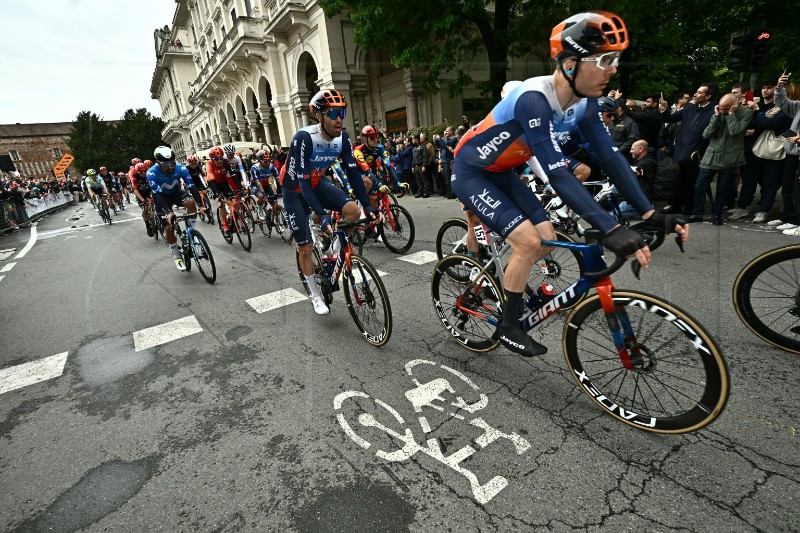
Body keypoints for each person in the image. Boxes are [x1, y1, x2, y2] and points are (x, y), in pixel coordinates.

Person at [451, 11, 688, 357]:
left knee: (546, 239)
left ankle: (506, 283)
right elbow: (557, 172)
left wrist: (649, 212)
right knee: (529, 243)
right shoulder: (534, 99)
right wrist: (609, 227)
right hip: (471, 171)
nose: (613, 69)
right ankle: (509, 324)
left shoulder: (585, 103)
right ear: (571, 63)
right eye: (605, 60)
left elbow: (610, 158)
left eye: (616, 59)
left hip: (503, 171)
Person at [279, 89, 378, 315]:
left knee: (353, 211)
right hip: (294, 190)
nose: (339, 118)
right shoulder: (304, 138)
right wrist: (322, 214)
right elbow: (302, 184)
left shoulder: (342, 138)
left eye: (342, 111)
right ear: (319, 116)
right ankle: (315, 294)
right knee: (305, 247)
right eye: (333, 113)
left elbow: (353, 174)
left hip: (316, 183)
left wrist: (369, 207)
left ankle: (333, 255)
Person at [691, 93, 754, 225]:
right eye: (721, 107)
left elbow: (735, 131)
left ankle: (717, 214)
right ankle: (697, 214)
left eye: (726, 108)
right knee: (699, 186)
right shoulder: (718, 113)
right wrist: (716, 117)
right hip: (711, 155)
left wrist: (730, 115)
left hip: (730, 157)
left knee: (722, 188)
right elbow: (706, 134)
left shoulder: (746, 113)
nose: (723, 111)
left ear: (734, 105)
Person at [659, 83, 717, 216]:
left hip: (696, 154)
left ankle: (689, 209)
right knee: (678, 181)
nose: (695, 94)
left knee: (691, 183)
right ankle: (676, 206)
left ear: (708, 96)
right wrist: (663, 109)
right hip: (680, 151)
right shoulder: (689, 108)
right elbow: (670, 118)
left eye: (699, 92)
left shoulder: (714, 110)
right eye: (696, 92)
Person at [146, 146, 203, 271]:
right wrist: (169, 212)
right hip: (161, 199)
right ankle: (177, 256)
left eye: (172, 162)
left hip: (176, 194)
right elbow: (158, 194)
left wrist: (201, 205)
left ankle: (192, 234)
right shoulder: (151, 172)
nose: (170, 166)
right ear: (158, 163)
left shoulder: (180, 168)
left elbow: (192, 186)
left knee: (190, 202)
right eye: (166, 164)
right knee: (168, 227)